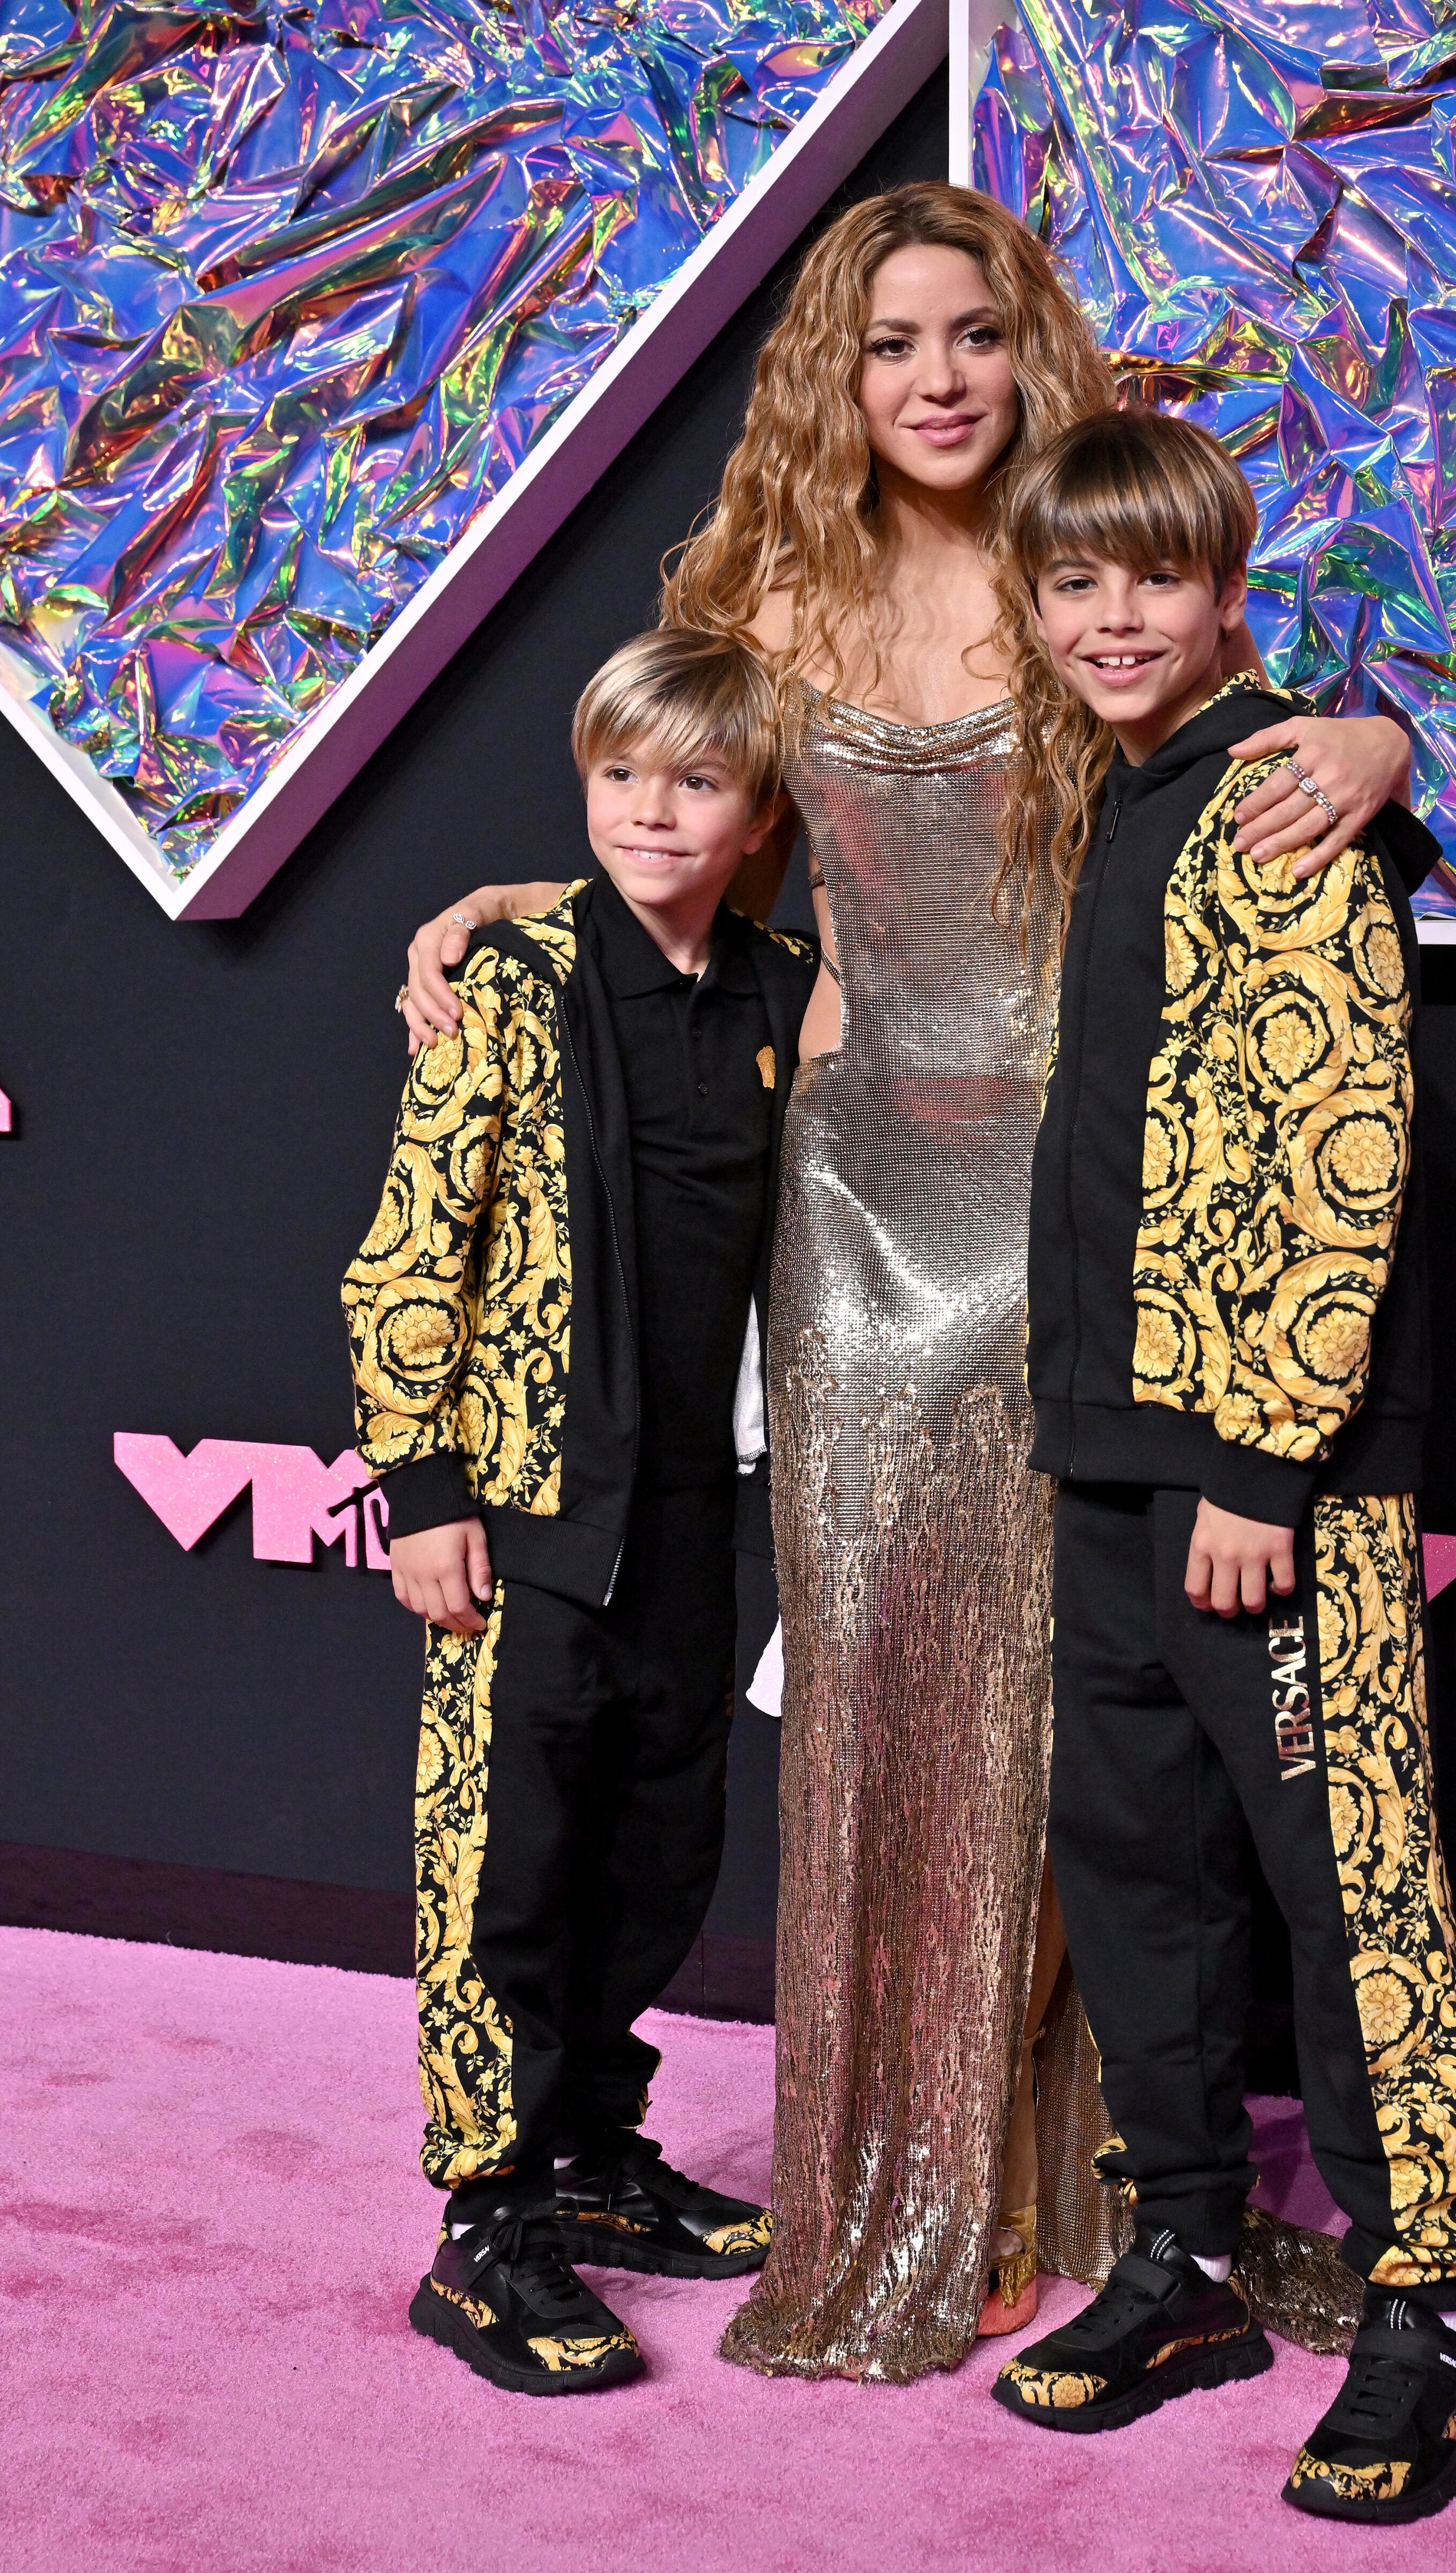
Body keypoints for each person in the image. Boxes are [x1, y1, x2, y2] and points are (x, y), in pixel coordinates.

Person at [397, 182, 1432, 2383]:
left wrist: (1388, 748)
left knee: (1087, 1731)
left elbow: (1229, 759)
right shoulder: (762, 582)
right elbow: (678, 816)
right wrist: (515, 893)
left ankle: (1118, 2185)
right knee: (875, 1698)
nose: (937, 378)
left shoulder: (1088, 558)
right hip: (856, 1206)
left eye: (971, 333)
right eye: (889, 345)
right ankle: (897, 2174)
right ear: (833, 375)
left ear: (1023, 343)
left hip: (1083, 1207)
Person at [989, 405, 1456, 2522]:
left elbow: (1337, 1149)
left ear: (1225, 595)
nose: (1116, 618)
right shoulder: (1133, 800)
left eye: (1154, 581)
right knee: (1138, 1872)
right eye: (1076, 582)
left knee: (1346, 1886)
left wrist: (1266, 1462)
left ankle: (1428, 2320)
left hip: (1267, 1476)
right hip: (1112, 1455)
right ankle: (1189, 2251)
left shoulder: (1286, 788)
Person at [343, 630, 818, 2395]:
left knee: (654, 1855)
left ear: (759, 812)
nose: (650, 811)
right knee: (509, 1870)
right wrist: (425, 1488)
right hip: (532, 1521)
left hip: (706, 1517)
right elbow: (410, 1251)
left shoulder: (784, 992)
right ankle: (488, 2225)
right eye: (621, 776)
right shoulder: (511, 984)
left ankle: (598, 2158)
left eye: (696, 783)